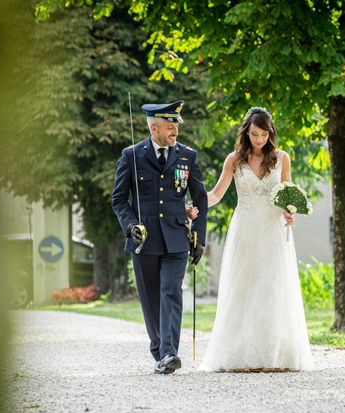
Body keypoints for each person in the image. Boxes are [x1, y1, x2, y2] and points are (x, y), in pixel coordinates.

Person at [193, 107, 314, 372]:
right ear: (246, 133)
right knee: (243, 286)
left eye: (263, 134)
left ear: (271, 133)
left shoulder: (282, 158)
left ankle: (273, 355)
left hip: (272, 230)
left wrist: (290, 212)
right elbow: (215, 194)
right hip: (245, 229)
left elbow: (287, 195)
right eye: (254, 134)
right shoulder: (234, 160)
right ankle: (240, 354)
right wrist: (195, 206)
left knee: (270, 287)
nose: (259, 139)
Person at [112, 100, 208, 375]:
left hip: (177, 237)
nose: (175, 130)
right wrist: (130, 225)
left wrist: (198, 237)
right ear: (154, 128)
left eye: (176, 125)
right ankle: (159, 349)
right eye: (169, 126)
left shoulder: (188, 156)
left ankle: (169, 353)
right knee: (151, 298)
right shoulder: (131, 155)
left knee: (171, 292)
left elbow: (200, 198)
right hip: (144, 239)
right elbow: (119, 199)